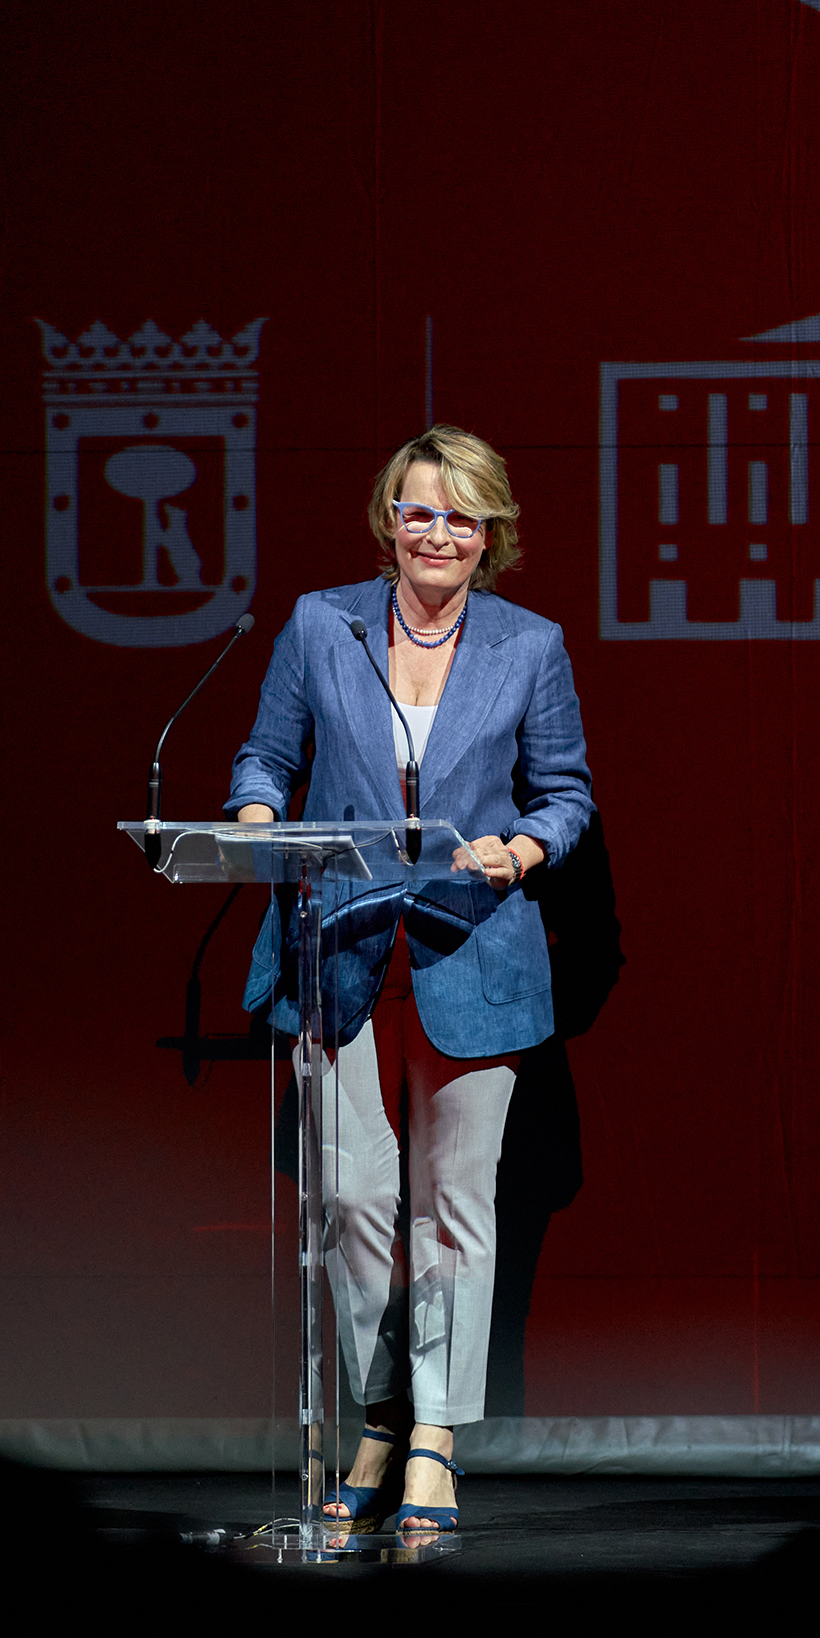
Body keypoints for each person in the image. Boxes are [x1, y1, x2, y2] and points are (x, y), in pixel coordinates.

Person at [225, 426, 591, 1535]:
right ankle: (380, 1415)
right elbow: (264, 757)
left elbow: (564, 794)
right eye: (419, 511)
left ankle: (432, 1436)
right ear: (389, 520)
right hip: (337, 942)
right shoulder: (319, 623)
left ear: (493, 536)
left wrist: (520, 851)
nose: (438, 534)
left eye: (461, 517)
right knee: (348, 1205)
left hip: (471, 946)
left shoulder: (530, 646)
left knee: (452, 1212)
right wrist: (255, 818)